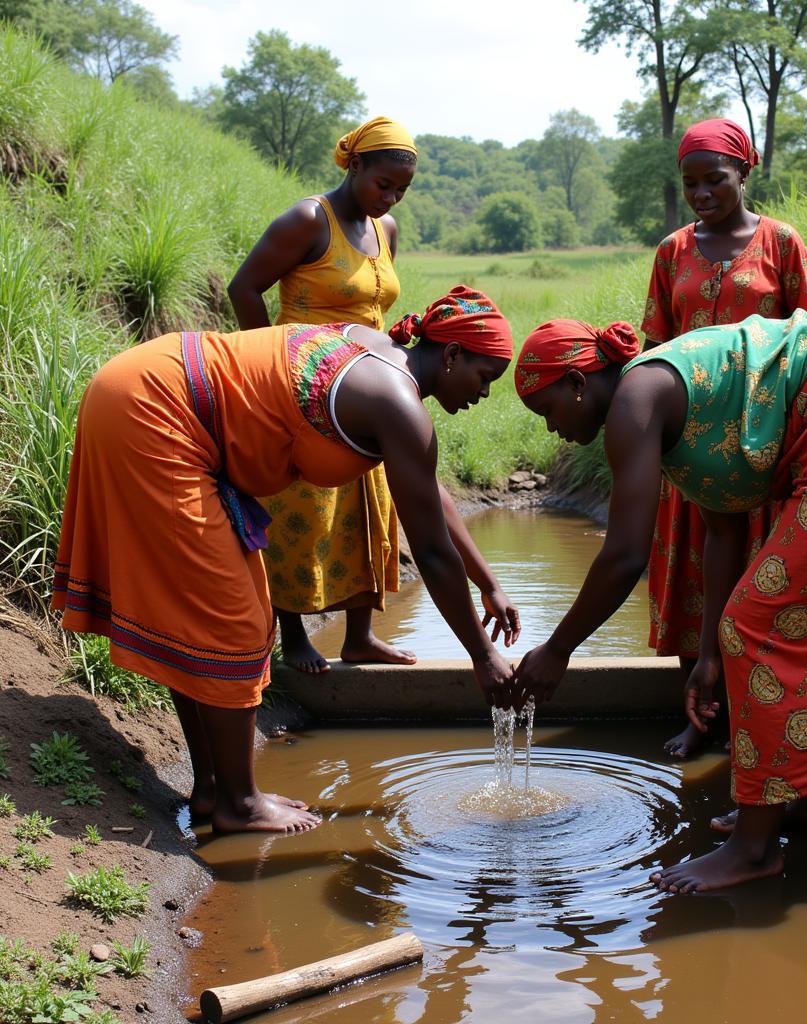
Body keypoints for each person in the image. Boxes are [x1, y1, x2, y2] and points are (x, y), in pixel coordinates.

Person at [512, 313, 807, 891]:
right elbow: (725, 529)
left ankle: (753, 850)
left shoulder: (634, 403)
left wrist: (557, 650)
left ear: (577, 383)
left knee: (759, 627)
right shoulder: (672, 397)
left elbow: (624, 555)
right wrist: (710, 657)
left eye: (547, 411)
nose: (551, 429)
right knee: (768, 622)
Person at [53, 287, 522, 834]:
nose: (485, 393)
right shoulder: (395, 401)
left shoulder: (384, 365)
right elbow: (433, 553)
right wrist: (482, 655)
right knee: (235, 620)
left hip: (154, 389)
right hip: (155, 412)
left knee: (232, 610)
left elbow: (426, 490)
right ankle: (239, 804)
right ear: (451, 356)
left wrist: (488, 582)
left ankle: (214, 790)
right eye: (484, 377)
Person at [641, 118, 807, 761]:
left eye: (714, 179)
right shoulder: (672, 252)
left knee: (761, 579)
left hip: (762, 444)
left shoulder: (781, 243)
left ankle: (756, 723)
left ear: (745, 172)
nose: (701, 194)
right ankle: (701, 719)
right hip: (694, 446)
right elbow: (654, 347)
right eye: (690, 183)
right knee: (696, 579)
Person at [228, 116, 418, 675]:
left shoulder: (388, 231)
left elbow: (372, 307)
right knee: (302, 509)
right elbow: (244, 287)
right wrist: (266, 360)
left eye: (402, 189)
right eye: (384, 184)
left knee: (366, 504)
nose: (391, 197)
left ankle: (359, 636)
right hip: (304, 386)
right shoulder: (310, 219)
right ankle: (293, 637)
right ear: (354, 164)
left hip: (364, 387)